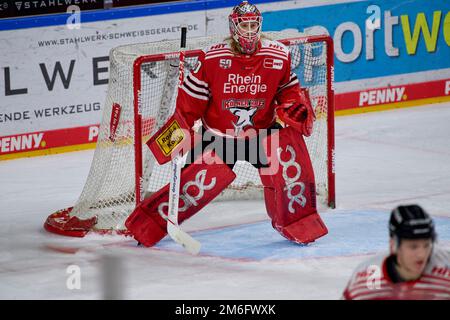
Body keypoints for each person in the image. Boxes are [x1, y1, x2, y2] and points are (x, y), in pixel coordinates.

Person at [125, 1, 328, 247]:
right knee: (188, 188)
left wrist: (294, 107)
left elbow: (288, 91)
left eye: (254, 25)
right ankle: (146, 224)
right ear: (233, 27)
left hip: (261, 136)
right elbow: (188, 105)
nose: (250, 31)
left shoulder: (278, 55)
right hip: (218, 139)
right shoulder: (212, 58)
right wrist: (176, 138)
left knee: (289, 170)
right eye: (245, 25)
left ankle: (299, 222)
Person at [343, 205, 450, 300]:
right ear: (393, 245)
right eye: (413, 247)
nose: (422, 254)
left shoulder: (446, 270)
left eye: (426, 245)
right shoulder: (364, 280)